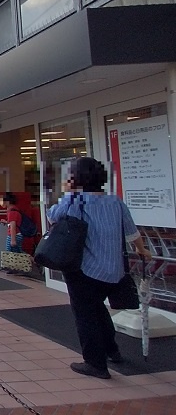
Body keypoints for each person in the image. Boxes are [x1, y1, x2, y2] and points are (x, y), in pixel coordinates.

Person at [48, 157, 151, 379]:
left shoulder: (75, 201)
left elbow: (53, 215)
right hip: (113, 271)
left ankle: (95, 364)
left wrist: (68, 192)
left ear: (75, 178)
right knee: (98, 309)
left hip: (83, 270)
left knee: (85, 315)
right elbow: (132, 233)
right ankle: (112, 351)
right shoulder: (115, 202)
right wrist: (143, 251)